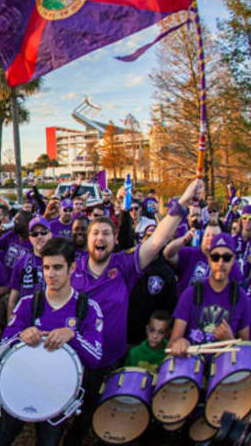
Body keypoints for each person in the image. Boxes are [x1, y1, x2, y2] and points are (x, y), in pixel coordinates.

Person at [63, 178, 202, 446]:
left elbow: (158, 240)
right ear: (87, 239)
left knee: (106, 419)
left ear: (115, 239)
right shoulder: (72, 270)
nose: (100, 238)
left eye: (106, 233)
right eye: (95, 233)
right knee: (71, 424)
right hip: (75, 359)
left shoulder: (124, 267)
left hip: (110, 361)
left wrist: (183, 201)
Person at [0, 237, 103, 446]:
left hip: (57, 394)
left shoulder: (87, 308)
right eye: (46, 267)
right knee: (3, 438)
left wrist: (73, 336)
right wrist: (20, 337)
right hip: (22, 384)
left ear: (72, 268)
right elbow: (1, 347)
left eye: (58, 267)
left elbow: (95, 358)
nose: (51, 274)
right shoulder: (28, 303)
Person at [169, 233, 251, 355]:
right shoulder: (190, 293)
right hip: (193, 367)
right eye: (215, 257)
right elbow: (172, 343)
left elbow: (245, 353)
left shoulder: (241, 297)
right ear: (208, 259)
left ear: (233, 259)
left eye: (226, 257)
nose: (221, 263)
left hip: (225, 369)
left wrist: (231, 341)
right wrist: (179, 343)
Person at [7, 217, 53, 315]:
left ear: (50, 234)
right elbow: (13, 299)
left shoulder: (60, 261)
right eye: (34, 234)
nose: (39, 237)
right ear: (30, 238)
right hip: (28, 317)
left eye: (43, 232)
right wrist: (11, 326)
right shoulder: (22, 262)